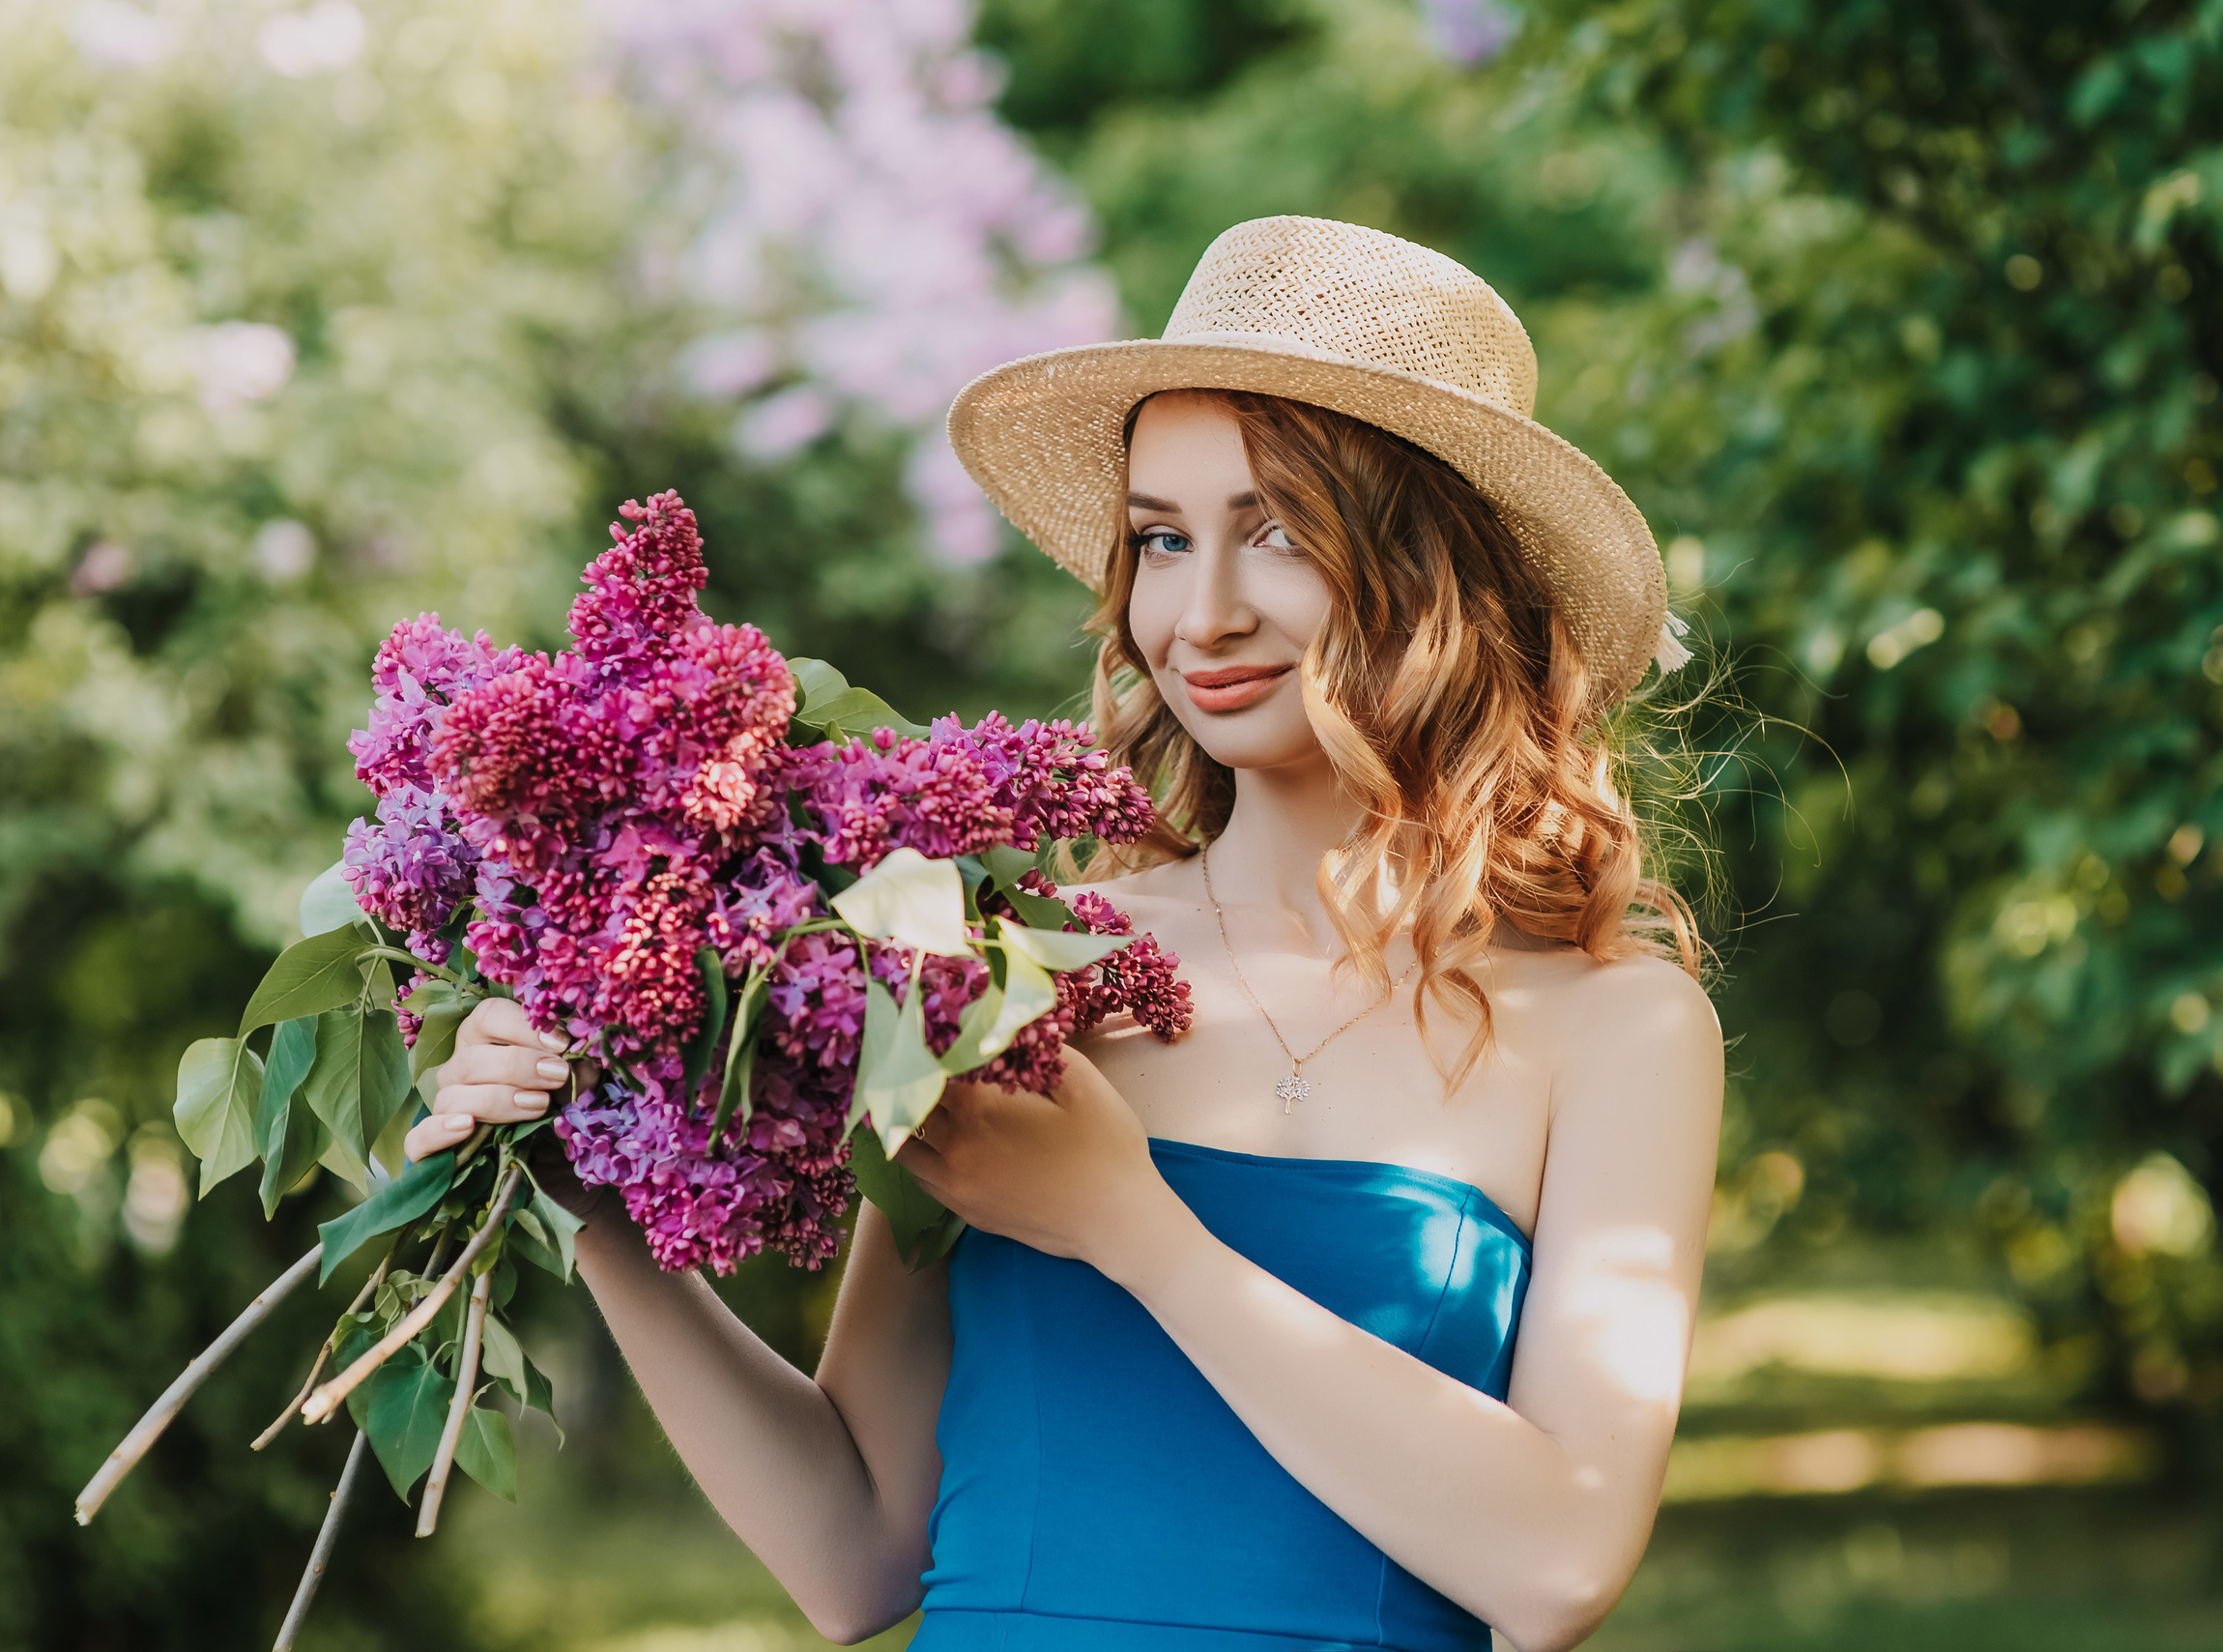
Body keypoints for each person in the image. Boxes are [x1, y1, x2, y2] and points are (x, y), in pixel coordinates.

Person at [410, 217, 1724, 1652]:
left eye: (1277, 531)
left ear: (1438, 576)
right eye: (1162, 539)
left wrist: (1128, 1223)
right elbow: (854, 1550)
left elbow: (1553, 1567)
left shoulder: (1617, 1027)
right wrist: (592, 1198)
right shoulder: (1017, 962)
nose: (1201, 610)